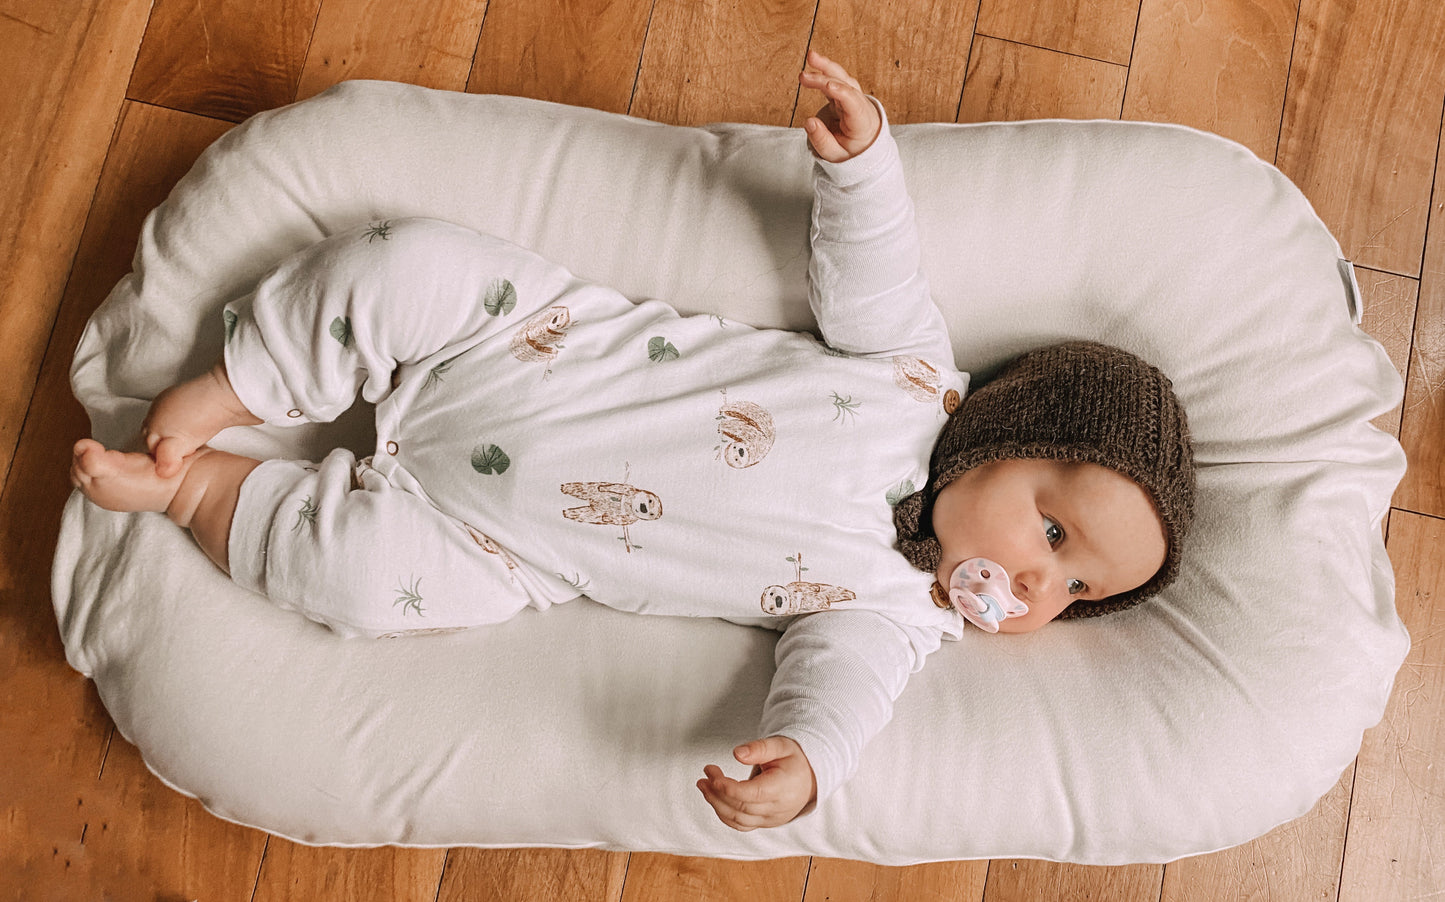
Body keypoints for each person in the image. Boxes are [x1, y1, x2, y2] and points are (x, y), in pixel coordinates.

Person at [69, 51, 1194, 831]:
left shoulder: (900, 614)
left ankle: (195, 492)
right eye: (1054, 528)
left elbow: (843, 688)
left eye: (1076, 588)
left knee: (362, 581)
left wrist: (806, 766)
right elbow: (874, 266)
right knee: (410, 264)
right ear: (1008, 428)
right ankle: (234, 386)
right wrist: (860, 168)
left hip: (502, 545)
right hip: (526, 340)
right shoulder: (909, 372)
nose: (1036, 581)